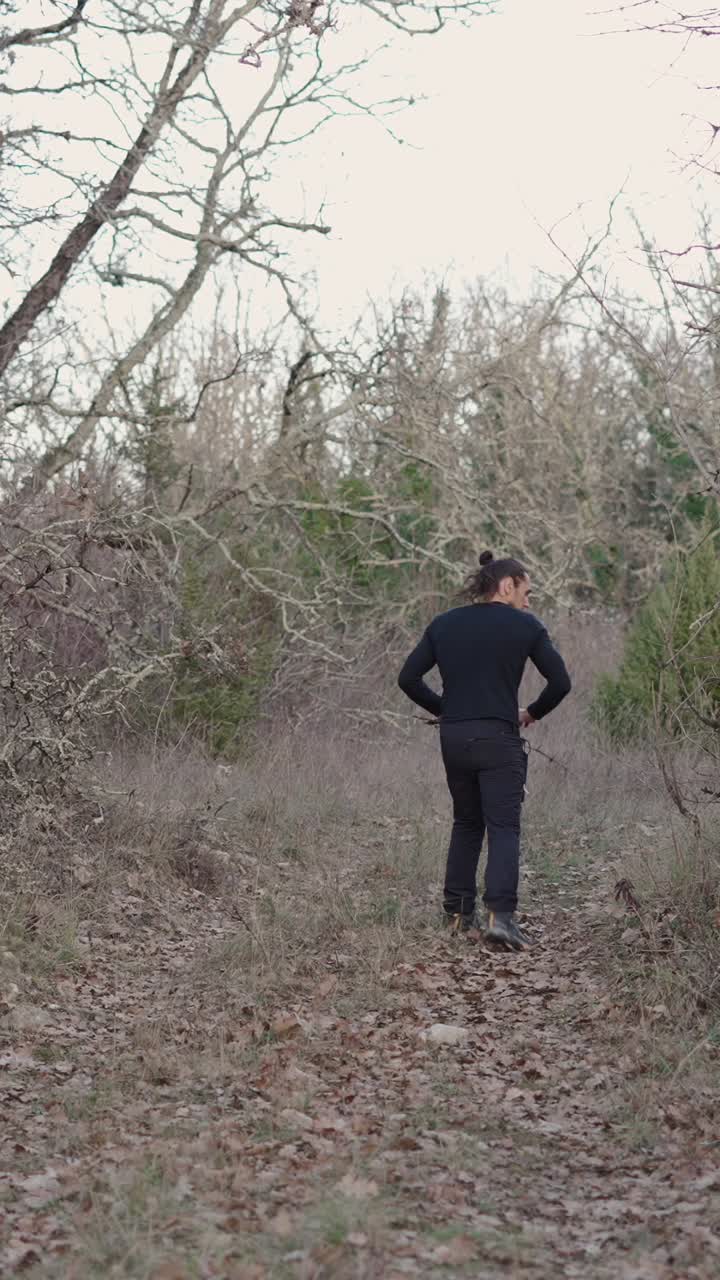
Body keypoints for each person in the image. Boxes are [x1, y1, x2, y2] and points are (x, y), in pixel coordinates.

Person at [397, 551, 571, 950]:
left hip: (454, 737)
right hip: (498, 737)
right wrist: (531, 713)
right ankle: (501, 918)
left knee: (467, 823)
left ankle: (458, 915)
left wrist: (450, 710)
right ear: (506, 586)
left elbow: (408, 678)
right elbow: (560, 682)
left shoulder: (443, 624)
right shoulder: (525, 626)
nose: (528, 602)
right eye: (526, 592)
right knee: (503, 826)